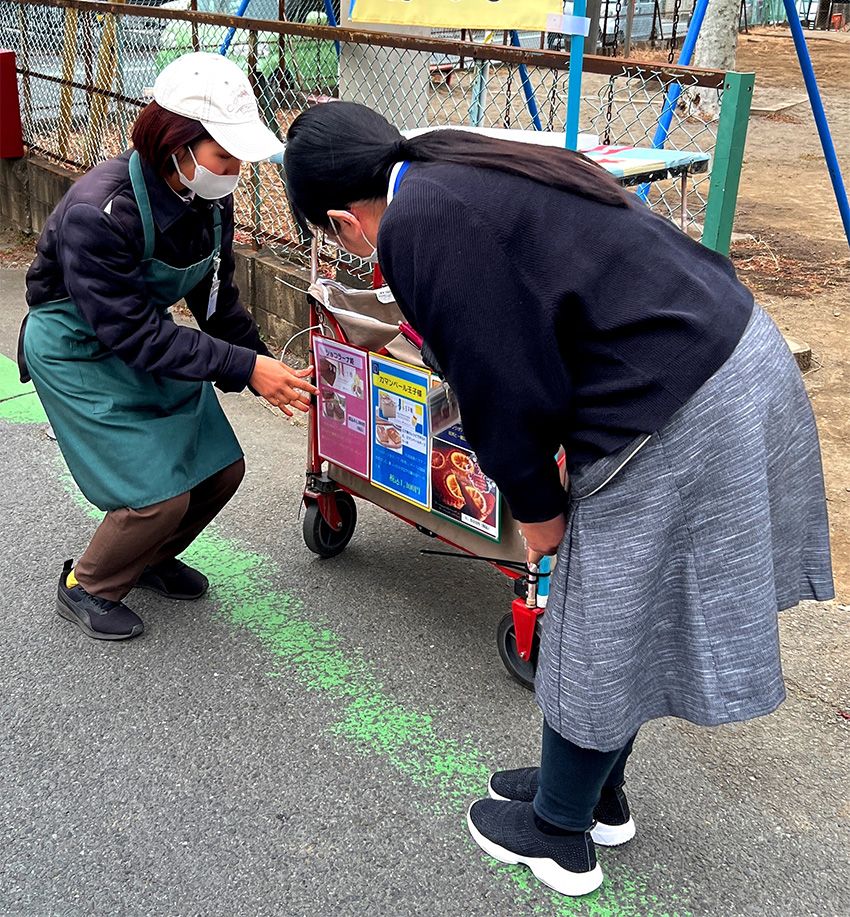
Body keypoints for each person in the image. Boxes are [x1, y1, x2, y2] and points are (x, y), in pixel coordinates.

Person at [283, 102, 834, 897]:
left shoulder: (414, 227)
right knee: (619, 610)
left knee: (594, 615)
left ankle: (559, 833)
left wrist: (538, 514)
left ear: (342, 220)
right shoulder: (449, 165)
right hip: (722, 358)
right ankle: (592, 793)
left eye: (335, 237)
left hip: (682, 403)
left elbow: (503, 391)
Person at [18, 53, 316, 642]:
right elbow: (129, 332)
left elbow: (213, 298)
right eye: (222, 156)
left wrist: (264, 363)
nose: (234, 171)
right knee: (156, 498)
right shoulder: (99, 211)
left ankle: (148, 559)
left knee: (221, 469)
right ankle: (88, 585)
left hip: (145, 337)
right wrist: (244, 367)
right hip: (79, 347)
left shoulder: (209, 200)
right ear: (178, 144)